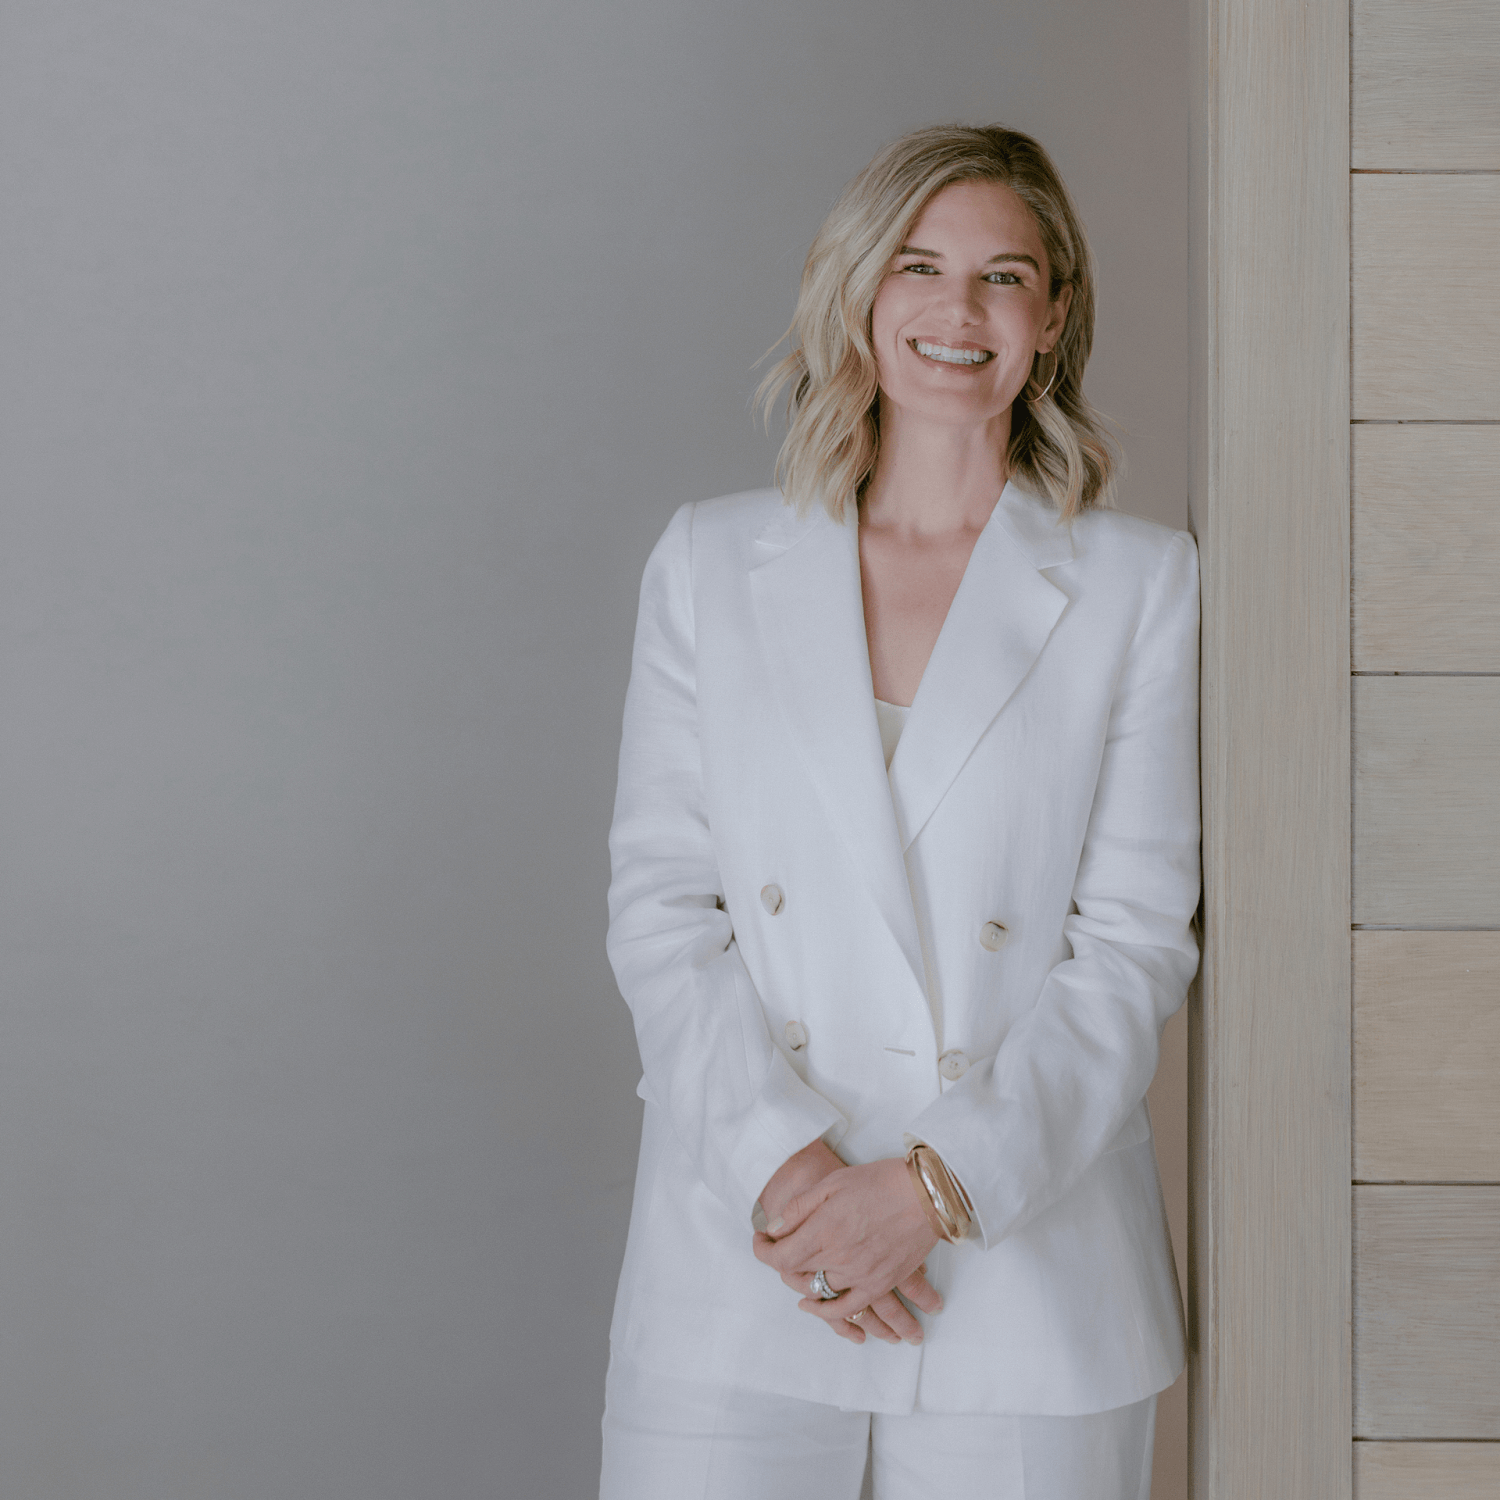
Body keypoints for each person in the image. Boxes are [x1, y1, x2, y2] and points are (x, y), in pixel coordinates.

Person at [600, 123, 1199, 1500]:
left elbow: (1131, 946)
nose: (961, 309)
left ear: (1051, 321)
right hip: (748, 1252)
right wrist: (789, 1175)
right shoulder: (709, 564)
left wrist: (931, 1193)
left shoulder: (1138, 588)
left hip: (1029, 1269)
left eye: (1006, 275)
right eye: (922, 266)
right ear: (861, 296)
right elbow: (661, 911)